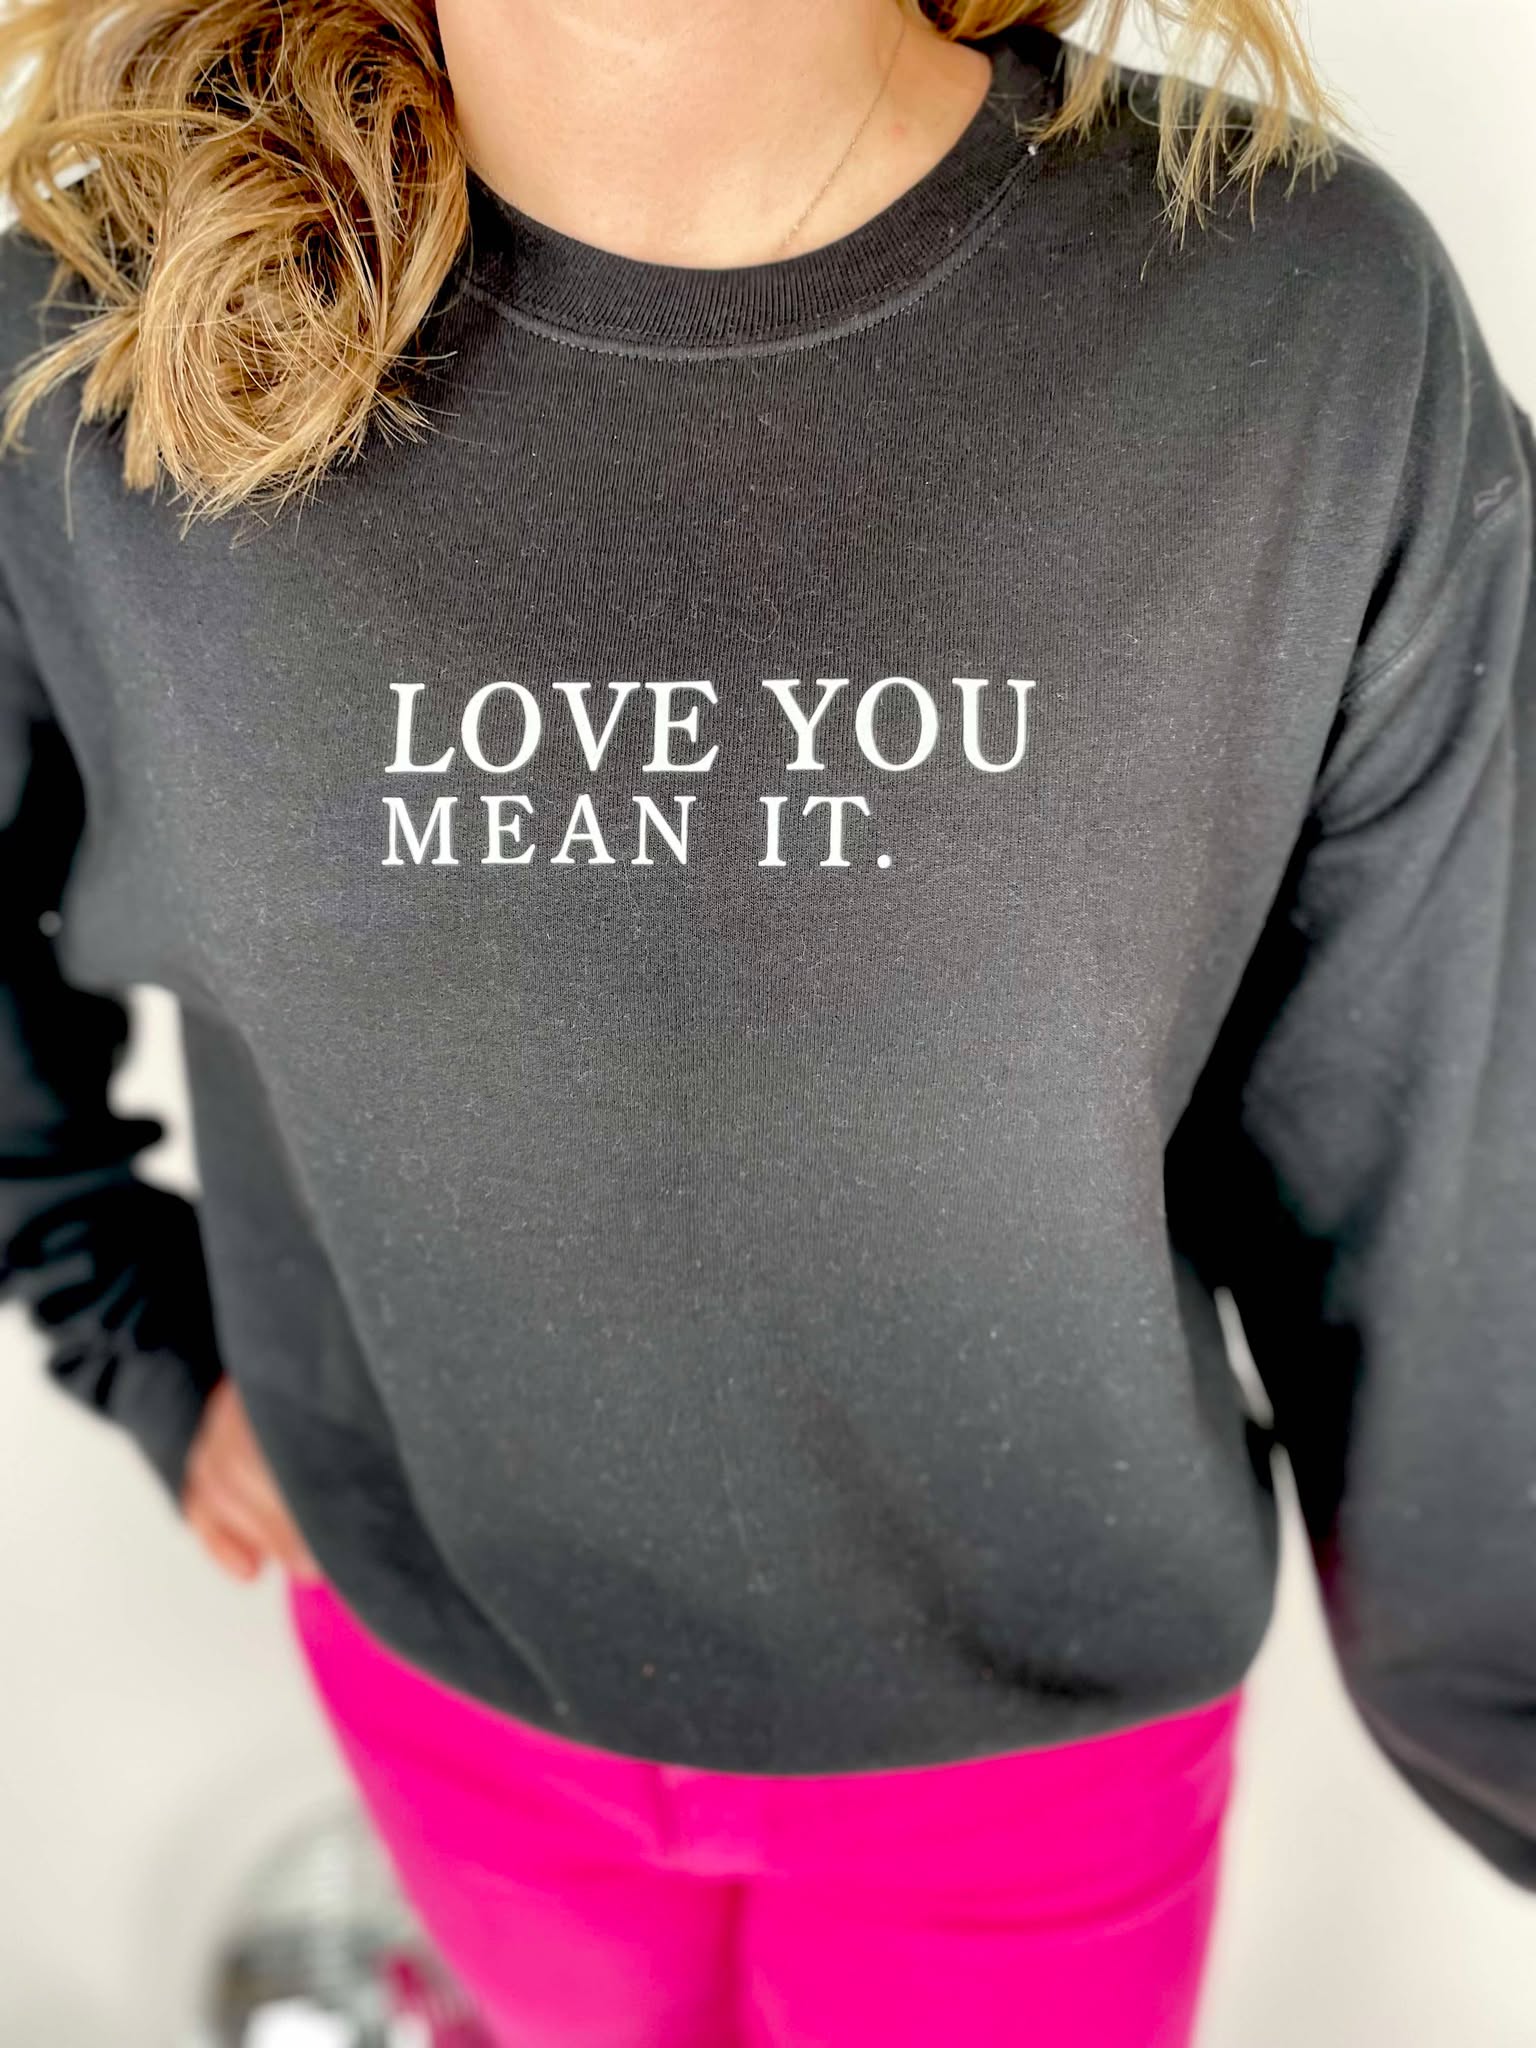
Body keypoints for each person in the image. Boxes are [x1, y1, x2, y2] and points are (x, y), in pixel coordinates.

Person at [0, 0, 1532, 2041]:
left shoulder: (1294, 331)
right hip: (451, 1670)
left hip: (1031, 1759)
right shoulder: (100, 334)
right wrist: (120, 1311)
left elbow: (1452, 1162)